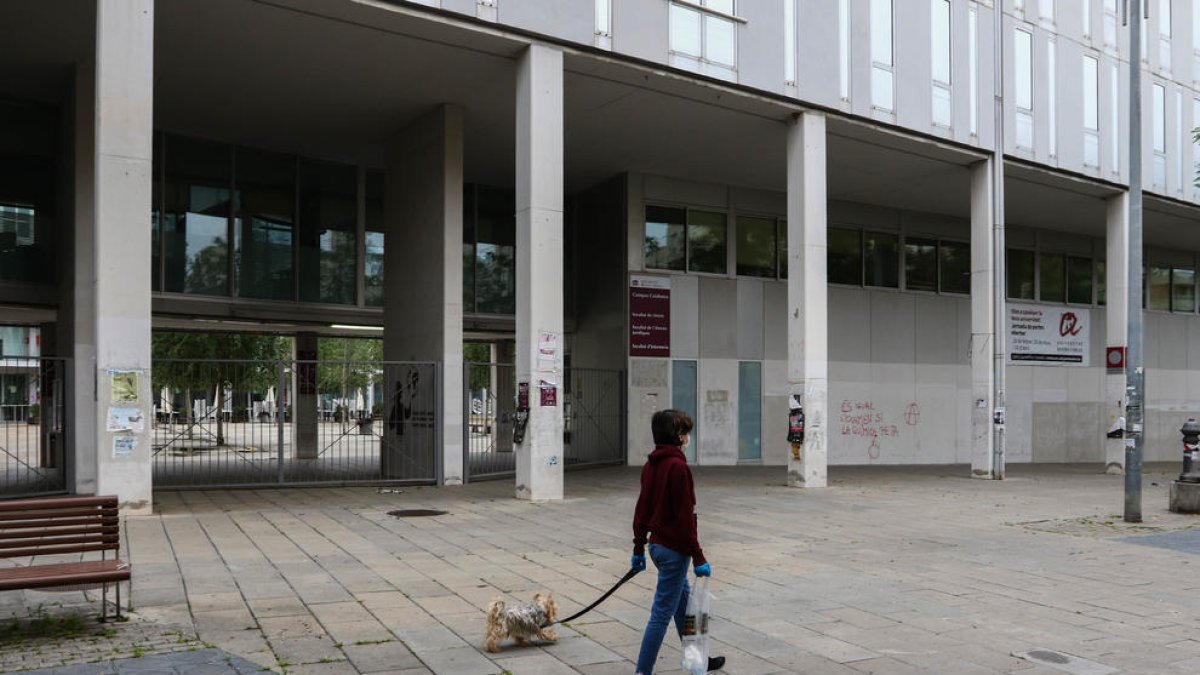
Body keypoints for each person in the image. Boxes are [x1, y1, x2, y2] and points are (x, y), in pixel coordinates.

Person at [631, 409, 725, 674]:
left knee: (685, 609)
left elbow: (642, 510)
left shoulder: (652, 465)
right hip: (675, 550)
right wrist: (699, 557)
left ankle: (699, 661)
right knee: (660, 615)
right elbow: (686, 518)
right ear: (678, 436)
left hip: (657, 547)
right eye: (686, 432)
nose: (688, 437)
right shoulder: (678, 467)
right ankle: (642, 671)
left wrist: (639, 547)